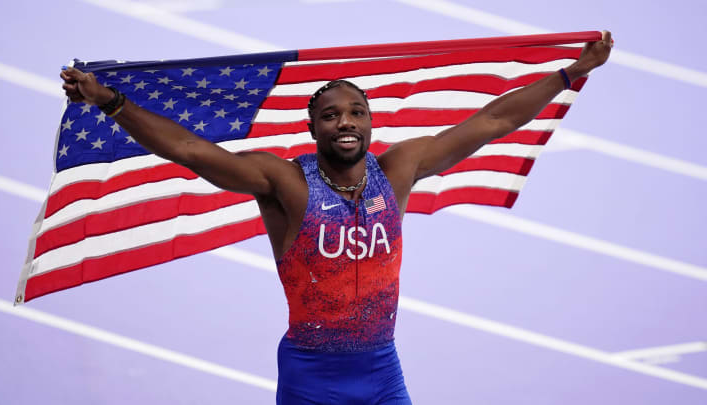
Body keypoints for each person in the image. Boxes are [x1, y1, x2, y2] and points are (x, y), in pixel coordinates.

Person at [61, 31, 612, 404]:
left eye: (356, 112)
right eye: (331, 115)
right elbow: (194, 152)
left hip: (382, 372)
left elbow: (492, 120)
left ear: (371, 122)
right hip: (311, 378)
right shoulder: (286, 184)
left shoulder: (399, 169)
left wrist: (569, 74)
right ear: (313, 128)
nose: (345, 123)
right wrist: (113, 103)